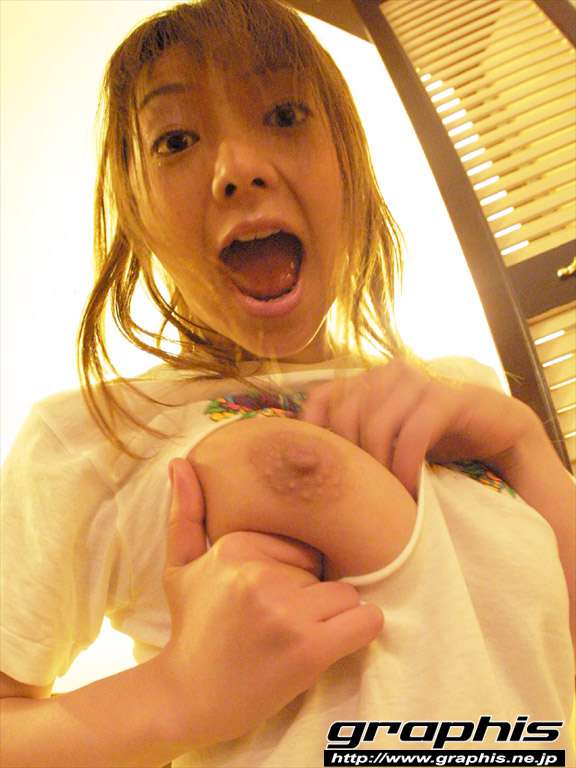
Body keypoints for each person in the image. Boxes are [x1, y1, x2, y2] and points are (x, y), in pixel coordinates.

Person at [1, 1, 574, 766]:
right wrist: (174, 696)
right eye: (176, 140)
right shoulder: (87, 437)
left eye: (283, 114)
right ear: (135, 206)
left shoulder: (462, 392)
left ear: (349, 164)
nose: (239, 169)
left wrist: (521, 440)